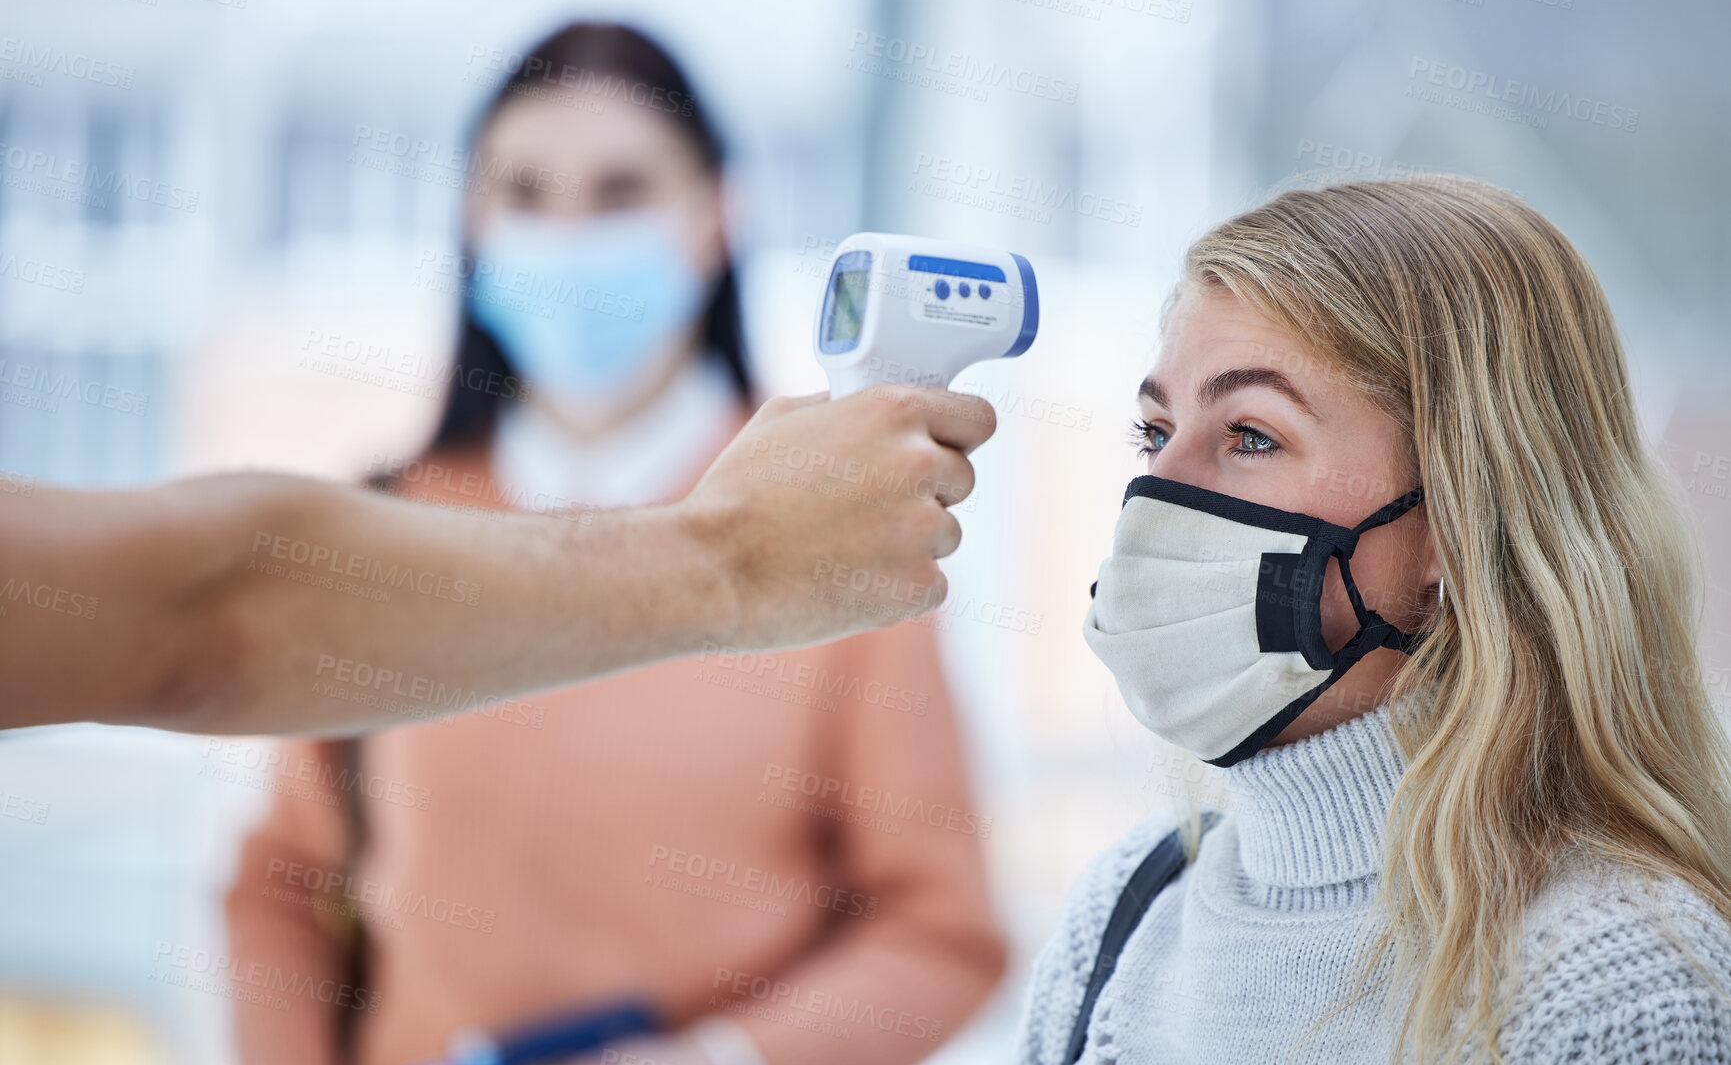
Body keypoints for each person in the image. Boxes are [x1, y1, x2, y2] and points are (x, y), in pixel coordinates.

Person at [224, 23, 1006, 1065]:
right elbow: (281, 884)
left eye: (620, 192)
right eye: (526, 194)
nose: (569, 235)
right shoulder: (382, 526)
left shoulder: (836, 531)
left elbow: (941, 934)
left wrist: (721, 1061)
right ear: (472, 221)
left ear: (715, 217)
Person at [1017, 177, 1731, 1065]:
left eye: (1249, 435)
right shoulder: (1129, 910)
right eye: (1154, 433)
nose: (1160, 494)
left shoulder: (1615, 983)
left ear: (1457, 522)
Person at [0, 299, 994, 734]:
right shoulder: (394, 502)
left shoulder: (846, 537)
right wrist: (721, 560)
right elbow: (216, 621)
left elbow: (933, 922)